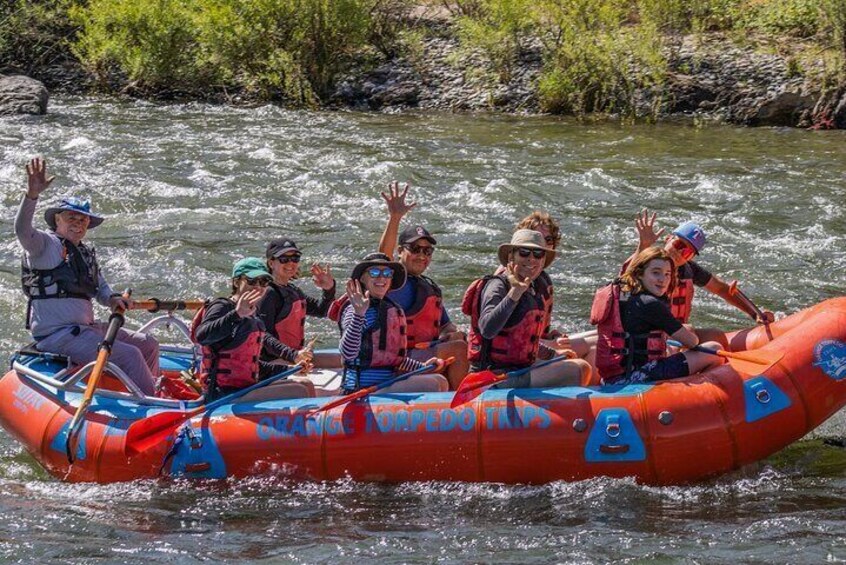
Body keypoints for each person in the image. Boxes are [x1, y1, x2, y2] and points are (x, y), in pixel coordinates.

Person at [16, 157, 159, 395]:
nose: (78, 223)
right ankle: (153, 404)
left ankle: (149, 388)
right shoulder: (43, 245)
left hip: (85, 329)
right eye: (71, 217)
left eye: (83, 220)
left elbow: (100, 288)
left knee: (148, 344)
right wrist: (31, 196)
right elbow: (22, 230)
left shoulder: (84, 252)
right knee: (131, 355)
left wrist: (112, 299)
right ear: (57, 220)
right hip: (57, 336)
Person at [462, 230, 592, 388]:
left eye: (538, 254)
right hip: (491, 377)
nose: (531, 258)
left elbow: (522, 342)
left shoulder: (534, 289)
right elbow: (487, 330)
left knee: (571, 361)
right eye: (524, 252)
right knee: (579, 369)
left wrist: (552, 355)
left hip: (518, 369)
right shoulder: (497, 286)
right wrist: (514, 293)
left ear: (543, 261)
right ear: (511, 257)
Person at [627, 209, 775, 348]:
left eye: (686, 252)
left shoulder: (689, 270)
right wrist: (643, 245)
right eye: (678, 244)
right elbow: (625, 280)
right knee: (689, 331)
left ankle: (720, 373)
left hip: (677, 333)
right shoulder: (648, 262)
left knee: (717, 336)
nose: (679, 252)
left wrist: (754, 313)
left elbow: (721, 289)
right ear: (669, 238)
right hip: (647, 334)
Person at [377, 181, 468, 389]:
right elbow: (382, 257)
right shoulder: (390, 279)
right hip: (398, 361)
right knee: (458, 349)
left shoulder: (430, 288)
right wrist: (395, 218)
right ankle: (463, 407)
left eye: (427, 251)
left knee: (461, 341)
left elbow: (445, 325)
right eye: (415, 248)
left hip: (425, 355)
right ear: (401, 251)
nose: (421, 255)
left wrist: (452, 332)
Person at [592, 247, 725, 384]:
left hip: (610, 378)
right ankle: (695, 395)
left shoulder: (623, 295)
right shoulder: (650, 304)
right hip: (636, 377)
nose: (663, 279)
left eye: (667, 274)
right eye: (656, 273)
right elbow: (691, 342)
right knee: (713, 349)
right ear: (640, 273)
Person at [192, 258, 314, 402]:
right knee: (298, 390)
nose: (258, 287)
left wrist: (290, 369)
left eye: (263, 282)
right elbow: (202, 336)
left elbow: (250, 365)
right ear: (237, 282)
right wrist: (236, 314)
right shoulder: (222, 306)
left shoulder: (252, 312)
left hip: (246, 388)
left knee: (305, 384)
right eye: (251, 281)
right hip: (222, 395)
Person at [332, 252, 448, 394]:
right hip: (360, 389)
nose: (382, 277)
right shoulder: (355, 309)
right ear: (363, 278)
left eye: (387, 273)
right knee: (434, 384)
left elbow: (394, 359)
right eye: (374, 272)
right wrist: (359, 314)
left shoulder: (391, 308)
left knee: (439, 380)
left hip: (386, 383)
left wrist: (422, 366)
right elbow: (347, 353)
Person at [257, 237, 339, 368]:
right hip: (272, 362)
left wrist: (328, 289)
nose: (291, 263)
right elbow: (262, 335)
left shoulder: (293, 291)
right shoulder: (268, 294)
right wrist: (292, 355)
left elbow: (322, 311)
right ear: (271, 263)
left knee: (342, 361)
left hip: (294, 356)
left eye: (295, 258)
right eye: (284, 259)